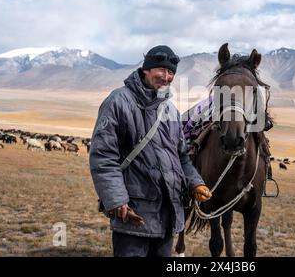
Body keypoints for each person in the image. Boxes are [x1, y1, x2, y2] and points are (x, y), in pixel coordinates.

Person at [89, 45, 212, 257]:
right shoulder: (118, 101)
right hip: (133, 214)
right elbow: (103, 156)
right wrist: (116, 199)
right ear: (146, 69)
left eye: (171, 72)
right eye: (161, 70)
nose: (166, 77)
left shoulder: (170, 110)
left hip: (167, 215)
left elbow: (181, 156)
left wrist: (195, 182)